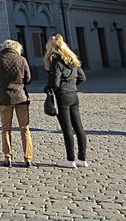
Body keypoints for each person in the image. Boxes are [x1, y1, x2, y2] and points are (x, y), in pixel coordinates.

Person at [44, 34, 88, 168]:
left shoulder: (56, 62)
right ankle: (82, 158)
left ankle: (70, 160)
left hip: (62, 96)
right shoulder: (72, 60)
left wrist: (47, 88)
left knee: (67, 128)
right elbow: (82, 78)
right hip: (74, 95)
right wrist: (72, 85)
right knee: (79, 127)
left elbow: (55, 83)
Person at [0, 39, 34, 167]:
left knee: (6, 128)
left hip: (4, 97)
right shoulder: (22, 60)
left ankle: (7, 157)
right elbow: (28, 78)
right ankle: (28, 158)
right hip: (21, 97)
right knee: (25, 128)